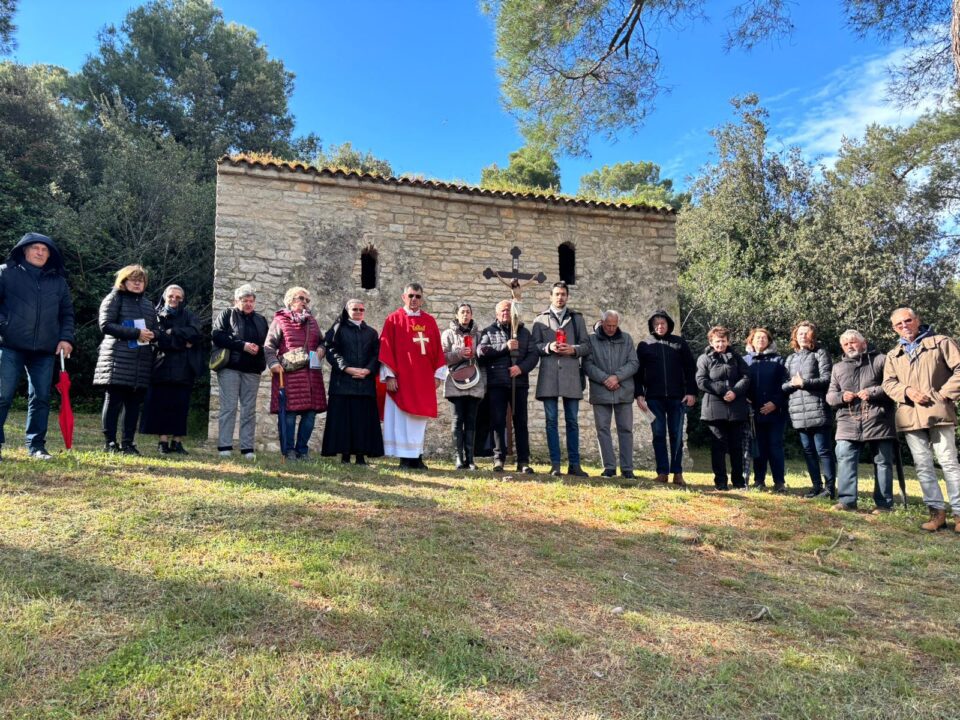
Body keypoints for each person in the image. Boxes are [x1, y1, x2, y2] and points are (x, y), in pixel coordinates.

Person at [882, 308, 960, 532]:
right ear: (894, 328)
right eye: (899, 324)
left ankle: (959, 513)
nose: (904, 326)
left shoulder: (941, 342)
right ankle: (936, 513)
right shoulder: (893, 355)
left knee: (948, 463)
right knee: (923, 466)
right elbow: (888, 383)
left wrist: (944, 394)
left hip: (939, 413)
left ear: (917, 320)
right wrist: (906, 391)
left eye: (908, 321)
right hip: (910, 415)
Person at [0, 232, 75, 461]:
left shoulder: (58, 281)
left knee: (41, 398)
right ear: (24, 250)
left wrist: (66, 339)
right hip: (10, 345)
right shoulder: (5, 272)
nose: (40, 252)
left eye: (45, 249)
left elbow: (67, 314)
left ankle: (36, 447)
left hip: (45, 349)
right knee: (2, 395)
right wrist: (4, 324)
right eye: (36, 248)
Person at [826, 330, 896, 513]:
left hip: (878, 420)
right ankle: (847, 502)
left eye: (853, 342)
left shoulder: (881, 360)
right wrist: (842, 396)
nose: (850, 346)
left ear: (863, 344)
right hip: (847, 422)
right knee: (845, 459)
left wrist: (873, 392)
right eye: (846, 343)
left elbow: (894, 385)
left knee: (883, 463)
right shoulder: (837, 367)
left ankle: (884, 505)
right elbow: (830, 397)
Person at [93, 264, 160, 455]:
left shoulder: (148, 304)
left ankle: (128, 443)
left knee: (133, 404)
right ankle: (110, 443)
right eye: (134, 280)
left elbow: (156, 330)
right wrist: (136, 333)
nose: (138, 283)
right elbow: (105, 325)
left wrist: (153, 335)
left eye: (141, 280)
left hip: (141, 360)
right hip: (117, 358)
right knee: (113, 401)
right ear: (123, 281)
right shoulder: (114, 298)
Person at [379, 282, 446, 470]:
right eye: (411, 296)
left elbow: (437, 349)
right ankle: (404, 459)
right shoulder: (393, 319)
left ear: (422, 299)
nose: (414, 300)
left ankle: (417, 457)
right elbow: (386, 348)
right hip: (402, 378)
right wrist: (389, 376)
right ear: (404, 297)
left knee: (419, 419)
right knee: (402, 418)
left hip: (423, 379)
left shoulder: (429, 321)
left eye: (417, 296)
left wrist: (438, 374)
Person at [531, 281, 592, 477]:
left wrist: (573, 349)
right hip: (549, 375)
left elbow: (587, 346)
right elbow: (534, 347)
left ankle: (574, 464)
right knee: (551, 421)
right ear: (551, 296)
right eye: (557, 294)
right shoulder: (540, 319)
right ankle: (555, 464)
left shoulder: (577, 319)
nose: (560, 297)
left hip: (571, 376)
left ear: (567, 297)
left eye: (563, 294)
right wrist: (549, 347)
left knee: (572, 421)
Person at [634, 309, 697, 485]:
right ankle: (662, 472)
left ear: (668, 325)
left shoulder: (679, 343)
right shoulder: (644, 345)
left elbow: (690, 369)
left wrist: (691, 392)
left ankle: (677, 473)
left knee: (676, 435)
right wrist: (639, 394)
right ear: (652, 326)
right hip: (654, 398)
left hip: (678, 398)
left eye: (663, 323)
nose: (660, 327)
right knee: (659, 434)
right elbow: (637, 373)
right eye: (656, 324)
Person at [264, 287, 328, 461]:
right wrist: (274, 364)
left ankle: (302, 450)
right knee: (289, 414)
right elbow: (269, 346)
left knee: (310, 413)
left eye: (307, 300)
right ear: (290, 300)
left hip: (311, 376)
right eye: (301, 298)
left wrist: (322, 349)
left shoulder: (312, 322)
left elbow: (322, 342)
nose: (305, 303)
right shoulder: (280, 320)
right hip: (289, 374)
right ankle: (289, 451)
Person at [140, 285, 203, 454]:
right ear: (165, 297)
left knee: (180, 406)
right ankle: (163, 442)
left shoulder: (189, 315)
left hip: (184, 369)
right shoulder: (156, 315)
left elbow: (196, 333)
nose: (174, 299)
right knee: (162, 405)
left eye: (178, 297)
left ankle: (177, 442)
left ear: (183, 299)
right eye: (171, 296)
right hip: (161, 366)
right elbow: (159, 339)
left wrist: (173, 331)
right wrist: (183, 342)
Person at [478, 299, 539, 473]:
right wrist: (505, 347)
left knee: (521, 421)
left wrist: (520, 368)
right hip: (497, 383)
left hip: (519, 383)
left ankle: (523, 461)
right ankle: (499, 459)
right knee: (497, 421)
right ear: (497, 314)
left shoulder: (525, 333)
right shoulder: (489, 331)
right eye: (503, 311)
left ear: (514, 314)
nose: (506, 313)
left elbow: (533, 355)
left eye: (509, 311)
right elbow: (481, 352)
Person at [321, 299, 383, 465]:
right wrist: (346, 368)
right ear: (347, 311)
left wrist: (368, 370)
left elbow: (376, 354)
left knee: (362, 421)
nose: (358, 312)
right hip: (343, 382)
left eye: (361, 309)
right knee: (344, 422)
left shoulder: (371, 332)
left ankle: (361, 456)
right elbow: (331, 350)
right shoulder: (338, 329)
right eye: (354, 309)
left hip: (365, 383)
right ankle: (345, 455)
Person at [212, 284, 268, 461]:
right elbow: (217, 336)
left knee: (249, 410)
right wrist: (242, 345)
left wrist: (257, 349)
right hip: (230, 367)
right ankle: (225, 447)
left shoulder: (261, 319)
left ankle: (247, 449)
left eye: (251, 301)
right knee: (229, 408)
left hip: (252, 370)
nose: (249, 304)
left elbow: (267, 342)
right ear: (236, 301)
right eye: (245, 301)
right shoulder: (227, 314)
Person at [783, 320, 837, 499]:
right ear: (795, 337)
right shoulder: (790, 358)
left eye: (806, 333)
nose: (803, 336)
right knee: (808, 452)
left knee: (823, 451)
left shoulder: (820, 354)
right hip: (798, 413)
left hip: (818, 409)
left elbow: (827, 379)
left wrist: (804, 383)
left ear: (813, 335)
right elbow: (783, 385)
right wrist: (791, 384)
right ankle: (816, 487)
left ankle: (829, 489)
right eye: (800, 334)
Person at [584, 310, 639, 479]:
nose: (611, 328)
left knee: (626, 430)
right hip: (601, 391)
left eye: (614, 325)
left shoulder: (627, 339)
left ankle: (627, 468)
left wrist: (617, 377)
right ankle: (609, 467)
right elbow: (587, 364)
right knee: (602, 430)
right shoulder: (591, 340)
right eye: (608, 325)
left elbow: (634, 363)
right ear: (602, 322)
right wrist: (605, 379)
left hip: (623, 391)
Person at [697, 326, 750, 490]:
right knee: (718, 446)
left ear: (728, 341)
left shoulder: (736, 357)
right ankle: (720, 481)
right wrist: (722, 391)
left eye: (723, 341)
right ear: (711, 342)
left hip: (736, 407)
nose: (720, 344)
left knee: (736, 447)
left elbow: (746, 377)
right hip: (714, 407)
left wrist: (734, 392)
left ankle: (738, 481)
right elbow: (701, 380)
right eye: (717, 341)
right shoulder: (704, 359)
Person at [441, 303, 486, 470]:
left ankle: (470, 459)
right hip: (455, 381)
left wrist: (477, 353)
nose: (465, 315)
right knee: (458, 420)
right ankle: (458, 458)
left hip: (474, 382)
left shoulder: (479, 335)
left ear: (472, 314)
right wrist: (459, 354)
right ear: (457, 315)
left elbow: (484, 358)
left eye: (468, 312)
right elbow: (442, 357)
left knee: (471, 421)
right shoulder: (448, 334)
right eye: (462, 312)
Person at [744, 328, 788, 492]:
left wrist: (775, 403)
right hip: (754, 412)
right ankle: (759, 480)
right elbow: (742, 382)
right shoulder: (745, 360)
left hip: (775, 412)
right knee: (758, 447)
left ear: (769, 341)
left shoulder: (779, 360)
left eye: (764, 338)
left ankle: (779, 482)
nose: (760, 340)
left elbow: (785, 384)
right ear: (751, 340)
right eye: (757, 338)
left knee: (775, 446)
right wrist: (745, 397)